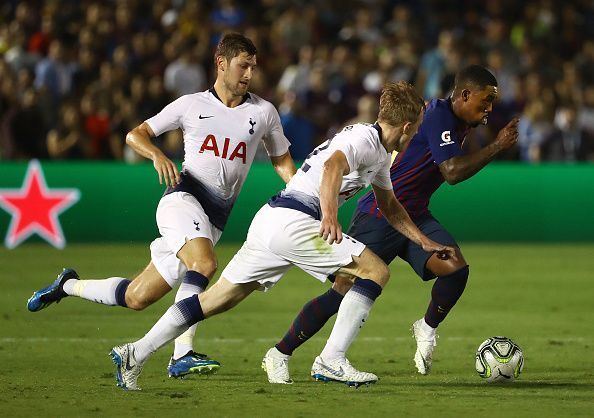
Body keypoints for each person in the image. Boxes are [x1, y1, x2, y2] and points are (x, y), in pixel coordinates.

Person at [109, 81, 457, 391]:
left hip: (272, 220)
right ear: (408, 126)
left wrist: (423, 241)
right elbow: (334, 166)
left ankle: (134, 353)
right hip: (295, 220)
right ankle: (331, 360)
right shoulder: (363, 140)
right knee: (375, 271)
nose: (414, 137)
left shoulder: (378, 151)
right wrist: (331, 215)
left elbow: (390, 206)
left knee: (216, 300)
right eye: (415, 131)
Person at [26, 33, 296, 378]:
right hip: (182, 199)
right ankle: (181, 353)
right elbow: (135, 134)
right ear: (222, 63)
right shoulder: (191, 105)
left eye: (253, 68)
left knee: (137, 297)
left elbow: (281, 160)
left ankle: (66, 285)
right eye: (243, 66)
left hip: (212, 221)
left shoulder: (264, 112)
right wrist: (156, 154)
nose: (248, 74)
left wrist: (302, 189)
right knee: (205, 263)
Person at [261, 65, 520, 384]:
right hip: (380, 215)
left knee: (454, 266)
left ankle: (425, 327)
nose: (490, 109)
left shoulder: (460, 123)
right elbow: (451, 172)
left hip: (414, 216)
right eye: (486, 101)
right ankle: (281, 353)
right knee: (343, 290)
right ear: (464, 95)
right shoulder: (439, 113)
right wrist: (496, 146)